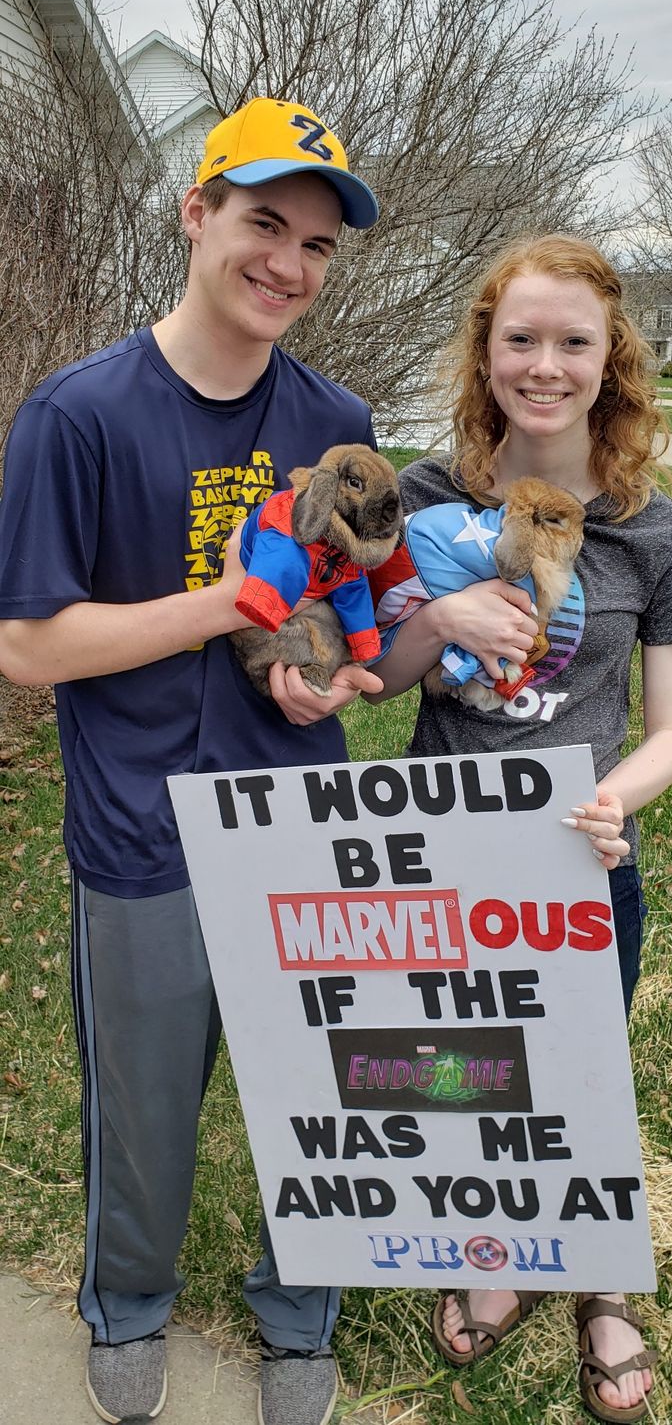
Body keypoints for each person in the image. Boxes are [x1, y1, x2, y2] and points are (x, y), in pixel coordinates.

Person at [0, 97, 386, 1425]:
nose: (288, 262)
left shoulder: (339, 414)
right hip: (141, 825)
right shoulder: (79, 415)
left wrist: (315, 663)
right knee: (146, 1103)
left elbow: (340, 599)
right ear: (196, 213)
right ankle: (130, 1303)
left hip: (302, 814)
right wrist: (227, 607)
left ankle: (301, 1314)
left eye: (318, 245)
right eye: (264, 223)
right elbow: (32, 646)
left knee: (321, 1089)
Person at [362, 234, 672, 1423]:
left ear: (608, 358)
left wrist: (617, 795)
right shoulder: (422, 500)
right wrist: (442, 613)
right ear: (486, 350)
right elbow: (383, 671)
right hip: (434, 842)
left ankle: (605, 1283)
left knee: (576, 1073)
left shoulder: (652, 533)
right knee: (464, 1067)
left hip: (577, 854)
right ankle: (499, 1246)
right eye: (520, 338)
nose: (545, 364)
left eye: (573, 340)